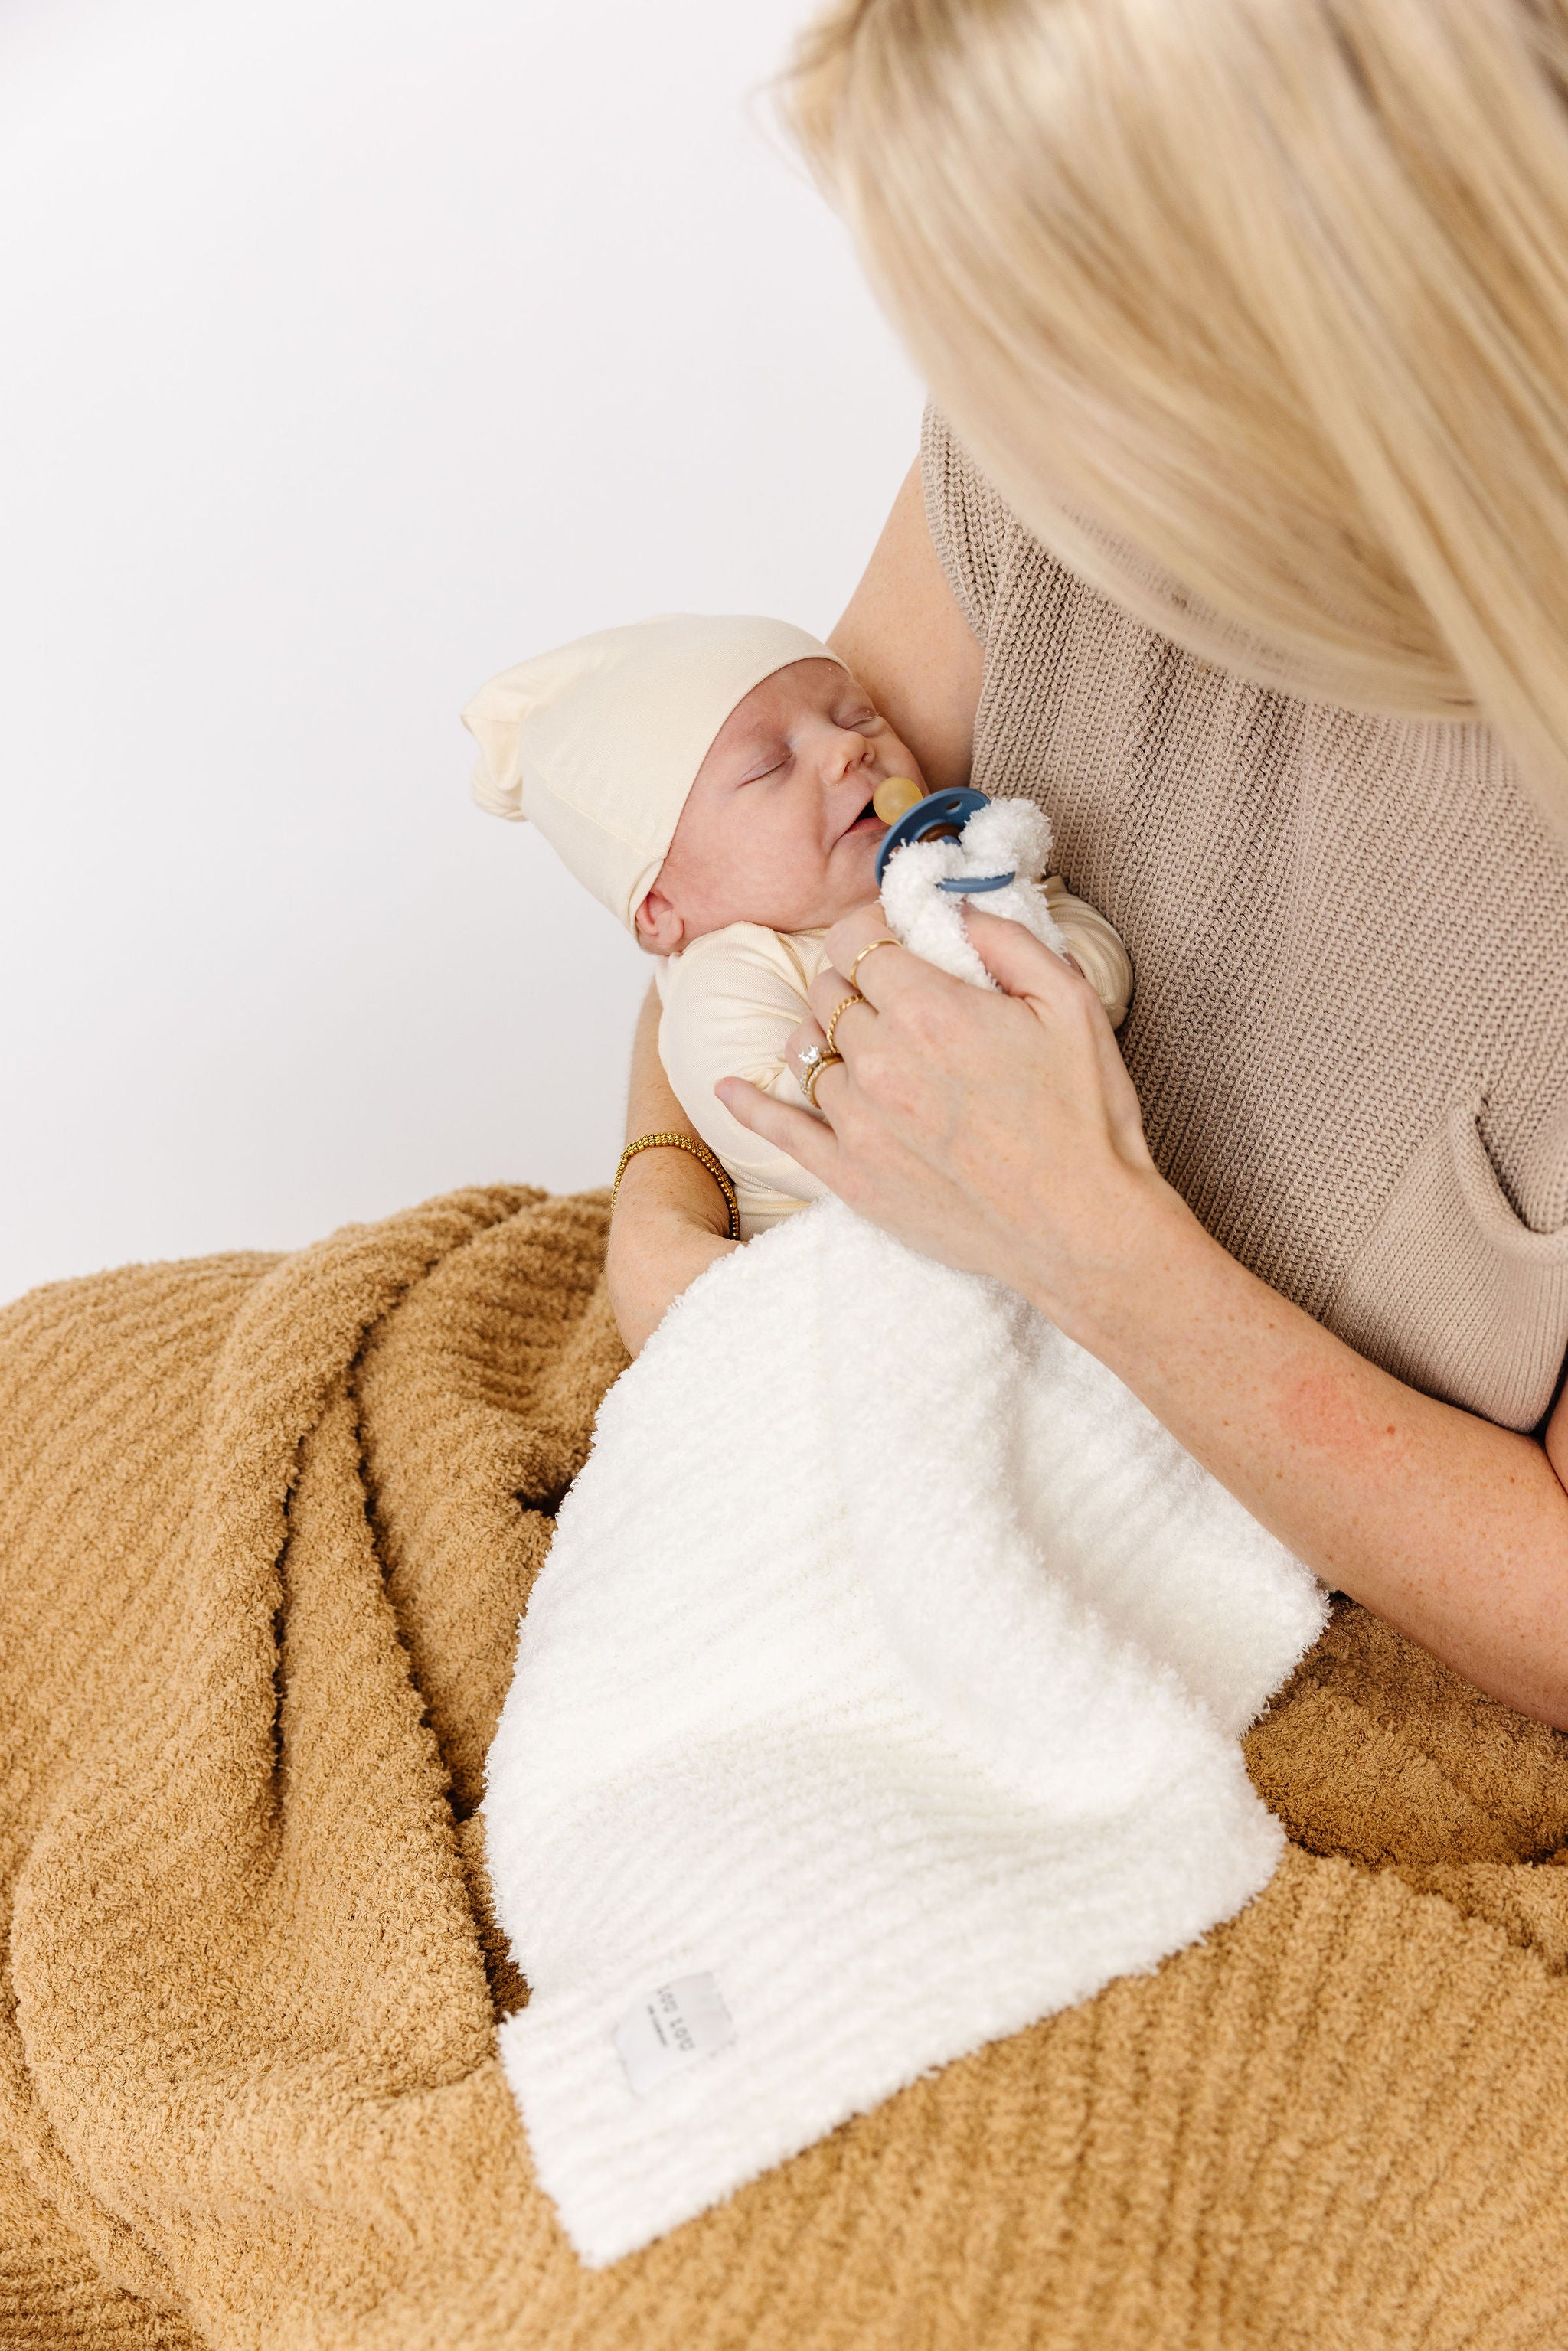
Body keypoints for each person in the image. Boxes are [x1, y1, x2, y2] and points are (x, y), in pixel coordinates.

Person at [607, 0, 1568, 1732]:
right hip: (856, 1404)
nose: (988, 435)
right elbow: (743, 859)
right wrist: (652, 1204)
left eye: (1053, 352)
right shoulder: (1020, 438)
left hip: (1282, 1649)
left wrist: (1092, 1245)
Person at [463, 611, 1129, 1238]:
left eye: (859, 717)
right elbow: (788, 1129)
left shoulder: (953, 867)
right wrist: (981, 1022)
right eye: (769, 765)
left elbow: (1079, 935)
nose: (849, 750)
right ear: (661, 909)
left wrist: (1064, 968)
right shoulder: (727, 979)